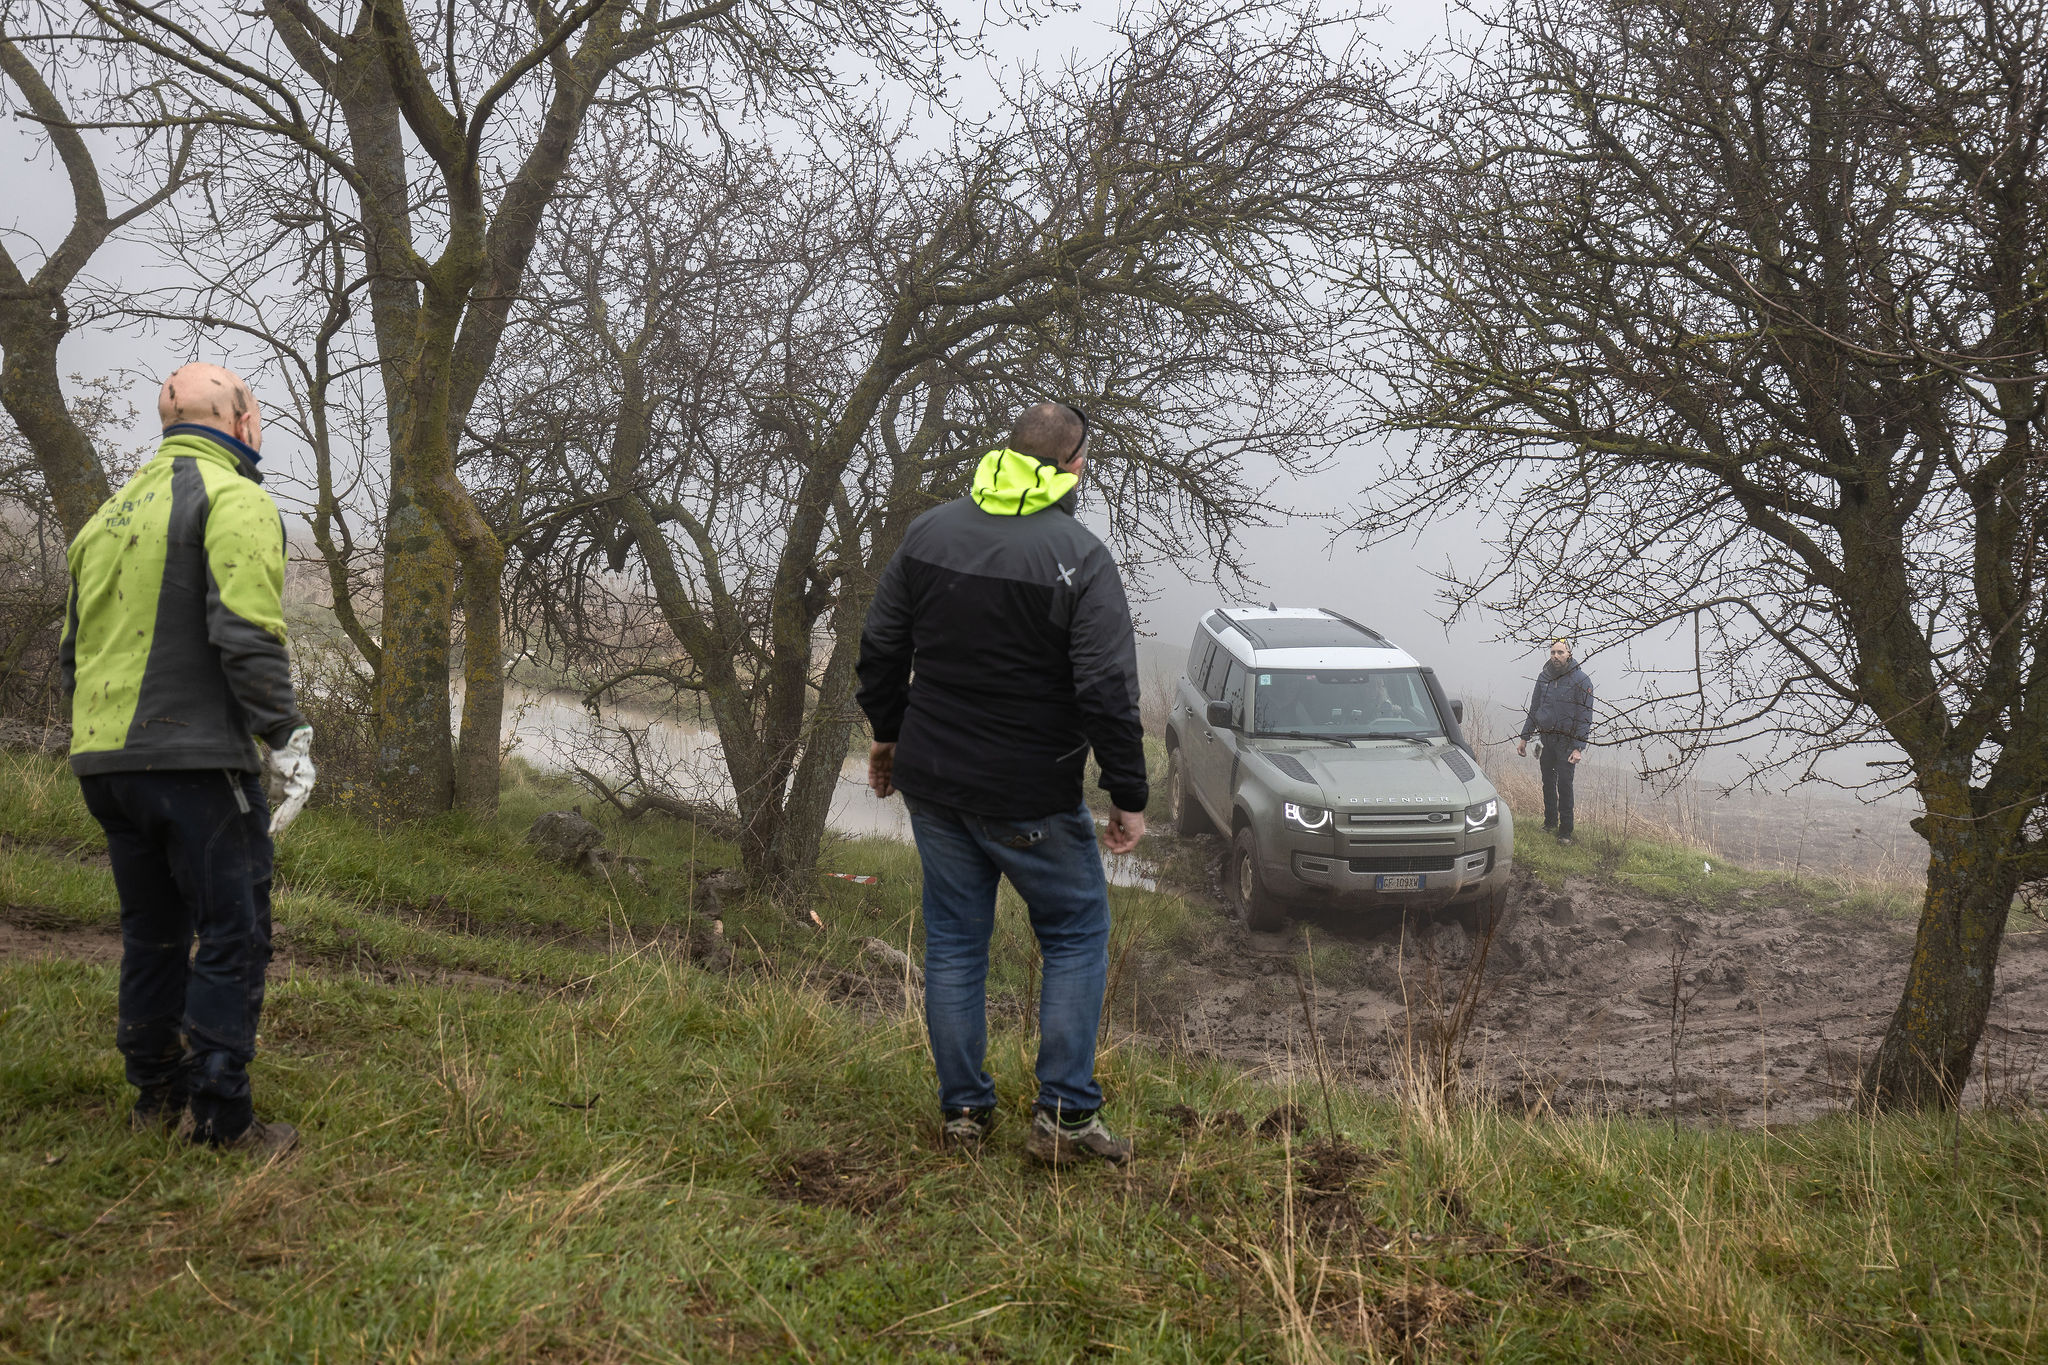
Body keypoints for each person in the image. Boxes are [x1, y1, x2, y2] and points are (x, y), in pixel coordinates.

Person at [856, 401, 1146, 1166]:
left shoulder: (928, 532)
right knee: (1077, 933)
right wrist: (1129, 794)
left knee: (954, 941)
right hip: (1030, 792)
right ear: (1074, 466)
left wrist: (887, 733)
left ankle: (963, 1114)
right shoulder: (1082, 557)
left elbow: (882, 644)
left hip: (934, 778)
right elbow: (1108, 689)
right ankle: (1065, 1117)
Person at [59, 363, 316, 1153]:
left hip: (105, 762)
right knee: (233, 930)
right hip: (195, 761)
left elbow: (73, 656)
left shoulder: (105, 518)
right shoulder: (235, 497)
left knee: (153, 929)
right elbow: (245, 633)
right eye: (258, 416)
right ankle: (218, 1118)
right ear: (240, 420)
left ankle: (153, 1095)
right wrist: (286, 734)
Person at [1517, 638, 1594, 843]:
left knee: (1565, 785)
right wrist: (1525, 738)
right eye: (1552, 652)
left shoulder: (1581, 680)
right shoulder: (1544, 678)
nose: (1556, 656)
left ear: (1569, 653)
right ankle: (1550, 823)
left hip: (1567, 743)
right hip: (1546, 739)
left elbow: (1585, 717)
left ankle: (1565, 831)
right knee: (1548, 782)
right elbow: (1534, 709)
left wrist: (1579, 747)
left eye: (1560, 652)